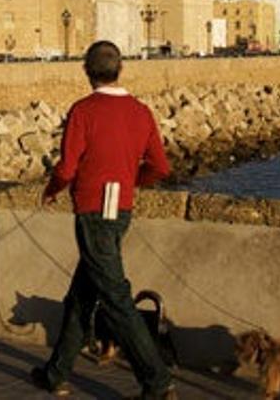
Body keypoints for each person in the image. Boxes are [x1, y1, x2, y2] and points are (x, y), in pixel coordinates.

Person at [32, 40, 176, 399]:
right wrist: (131, 181)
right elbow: (160, 167)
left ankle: (157, 382)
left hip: (93, 211)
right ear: (120, 69)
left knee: (116, 299)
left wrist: (52, 189)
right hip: (120, 210)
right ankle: (55, 374)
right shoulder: (141, 112)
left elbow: (67, 167)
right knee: (82, 295)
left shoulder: (83, 111)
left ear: (86, 71)